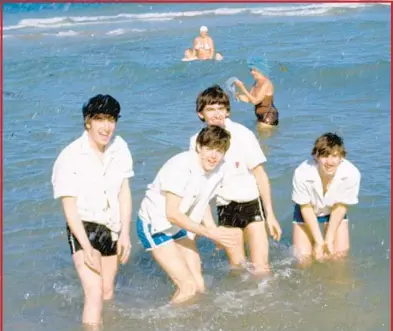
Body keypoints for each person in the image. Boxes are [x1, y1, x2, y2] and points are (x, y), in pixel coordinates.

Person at [51, 94, 134, 327]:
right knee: (94, 292)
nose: (107, 127)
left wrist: (125, 234)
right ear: (88, 121)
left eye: (111, 120)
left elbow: (124, 193)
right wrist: (86, 247)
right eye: (100, 120)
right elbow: (69, 209)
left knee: (107, 291)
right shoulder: (69, 157)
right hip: (83, 226)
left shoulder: (120, 147)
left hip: (112, 226)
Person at [136, 125, 241, 304]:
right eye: (209, 149)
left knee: (199, 285)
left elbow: (203, 201)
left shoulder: (219, 169)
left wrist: (212, 229)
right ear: (199, 147)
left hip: (179, 224)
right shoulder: (181, 166)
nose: (214, 156)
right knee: (188, 287)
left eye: (219, 150)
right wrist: (210, 233)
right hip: (156, 225)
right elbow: (172, 213)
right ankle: (163, 320)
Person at [190, 85, 282, 275]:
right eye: (210, 109)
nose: (216, 114)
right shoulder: (196, 141)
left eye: (220, 108)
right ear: (201, 114)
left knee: (261, 268)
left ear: (228, 110)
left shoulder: (242, 134)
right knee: (238, 268)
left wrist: (270, 215)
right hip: (225, 208)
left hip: (251, 204)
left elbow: (260, 175)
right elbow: (199, 186)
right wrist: (211, 228)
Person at [291, 132, 361, 264]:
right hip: (308, 209)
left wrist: (328, 240)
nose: (330, 162)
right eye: (324, 156)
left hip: (334, 210)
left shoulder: (351, 173)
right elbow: (305, 207)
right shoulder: (301, 173)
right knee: (303, 259)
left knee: (339, 257)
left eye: (335, 156)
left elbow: (340, 207)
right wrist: (318, 241)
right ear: (315, 156)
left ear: (342, 157)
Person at [234, 56, 279, 128]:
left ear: (260, 70)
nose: (251, 72)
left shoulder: (266, 83)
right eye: (251, 70)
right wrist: (238, 96)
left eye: (254, 70)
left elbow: (255, 101)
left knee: (262, 138)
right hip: (260, 116)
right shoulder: (256, 83)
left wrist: (243, 88)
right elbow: (249, 99)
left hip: (269, 115)